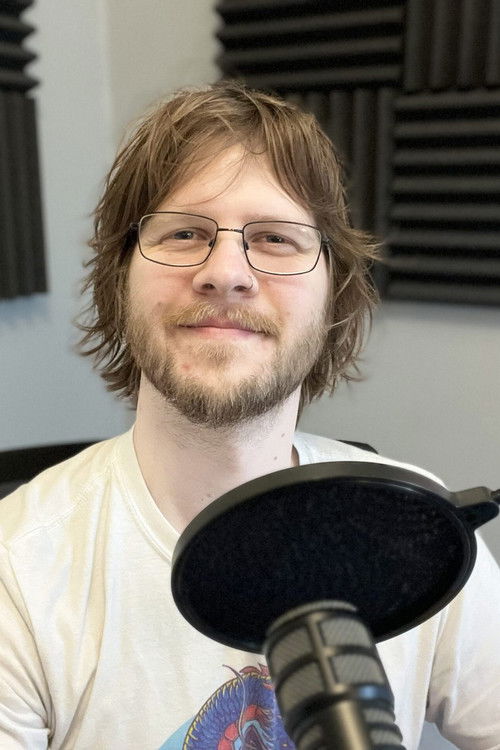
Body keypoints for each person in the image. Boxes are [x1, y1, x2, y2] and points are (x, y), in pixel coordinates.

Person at [0, 82, 499, 750]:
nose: (227, 272)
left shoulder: (415, 529)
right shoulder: (17, 572)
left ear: (333, 297)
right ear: (120, 284)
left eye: (275, 239)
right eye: (184, 233)